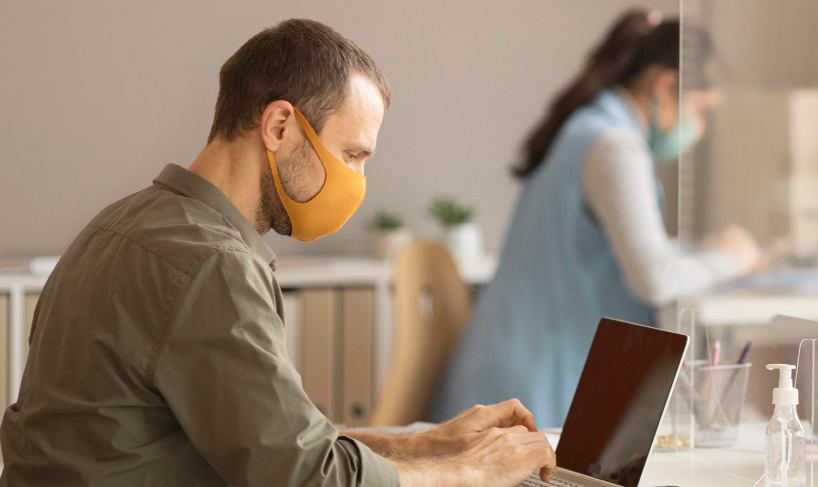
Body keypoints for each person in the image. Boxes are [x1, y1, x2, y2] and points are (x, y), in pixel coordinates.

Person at [0, 19, 555, 487]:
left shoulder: (125, 223)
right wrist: (473, 471)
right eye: (352, 154)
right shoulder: (208, 264)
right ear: (280, 125)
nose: (358, 182)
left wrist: (431, 446)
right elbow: (307, 476)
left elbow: (273, 442)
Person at [428, 10, 760, 428]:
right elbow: (653, 277)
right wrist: (732, 257)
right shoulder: (614, 147)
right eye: (701, 109)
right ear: (666, 86)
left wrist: (701, 254)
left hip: (514, 367)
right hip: (531, 387)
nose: (700, 127)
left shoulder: (590, 127)